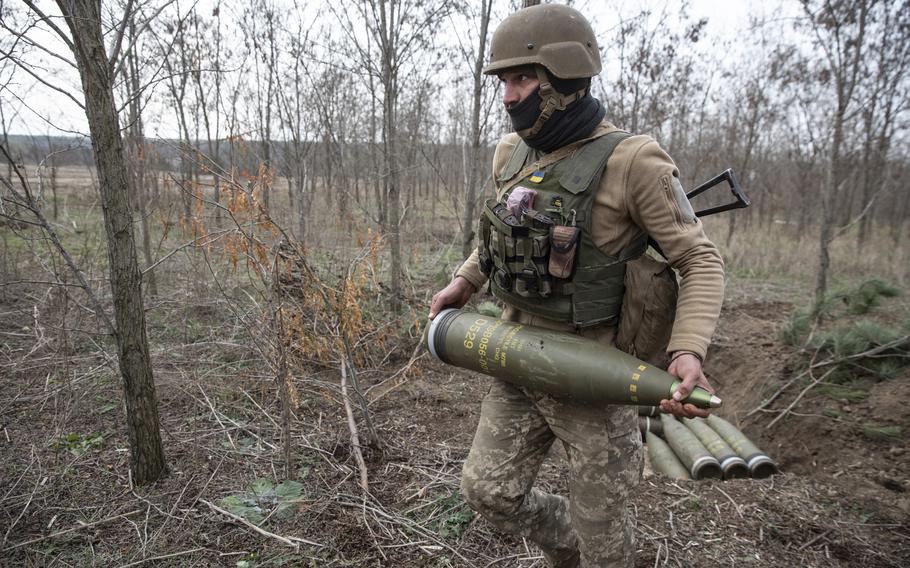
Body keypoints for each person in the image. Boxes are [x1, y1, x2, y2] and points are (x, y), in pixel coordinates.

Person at [428, 4, 725, 567]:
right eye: (503, 81)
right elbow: (501, 237)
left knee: (605, 537)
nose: (508, 95)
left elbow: (700, 259)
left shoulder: (636, 162)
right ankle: (571, 545)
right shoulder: (511, 153)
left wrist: (687, 350)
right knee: (487, 492)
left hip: (593, 373)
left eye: (522, 79)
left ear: (565, 78)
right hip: (516, 357)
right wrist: (466, 280)